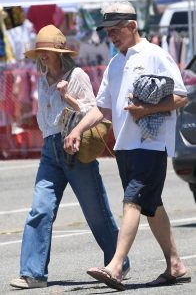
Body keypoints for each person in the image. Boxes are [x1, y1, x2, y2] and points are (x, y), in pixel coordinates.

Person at [64, 1, 191, 291]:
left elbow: (181, 96)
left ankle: (116, 265)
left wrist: (146, 109)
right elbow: (101, 107)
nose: (111, 35)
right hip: (125, 146)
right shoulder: (115, 61)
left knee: (133, 199)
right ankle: (176, 265)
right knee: (151, 205)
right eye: (108, 31)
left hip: (151, 143)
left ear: (133, 26)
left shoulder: (155, 54)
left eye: (116, 29)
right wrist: (78, 130)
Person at [10, 24, 130, 289]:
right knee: (40, 209)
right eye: (40, 51)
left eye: (48, 51)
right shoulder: (42, 80)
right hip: (50, 149)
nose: (43, 55)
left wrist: (68, 96)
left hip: (74, 146)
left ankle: (118, 262)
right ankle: (33, 273)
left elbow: (93, 111)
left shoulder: (77, 76)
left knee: (96, 212)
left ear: (60, 53)